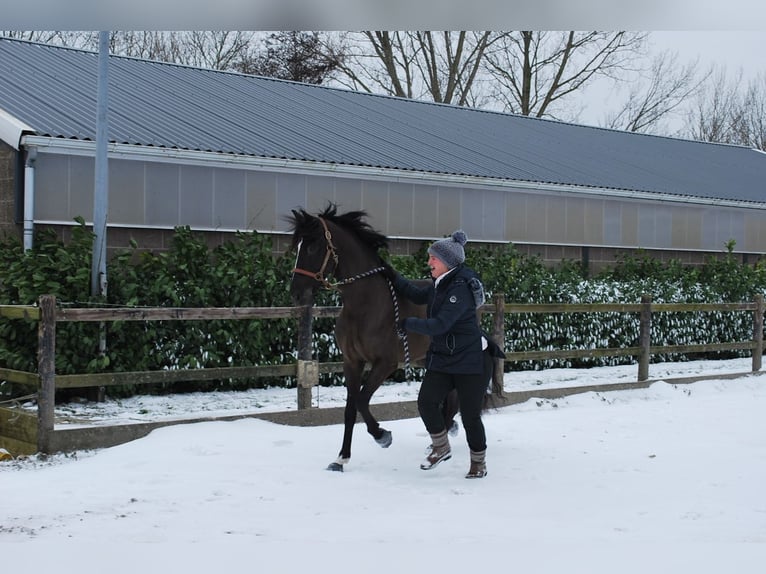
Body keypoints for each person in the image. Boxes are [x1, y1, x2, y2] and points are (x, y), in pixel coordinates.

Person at [390, 230, 492, 479]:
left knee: (469, 417)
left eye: (433, 259)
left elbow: (440, 325)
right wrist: (390, 273)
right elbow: (415, 293)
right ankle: (441, 446)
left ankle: (478, 463)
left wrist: (408, 323)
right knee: (426, 401)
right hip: (445, 358)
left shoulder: (461, 287)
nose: (429, 263)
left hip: (471, 361)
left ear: (447, 262)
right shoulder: (440, 284)